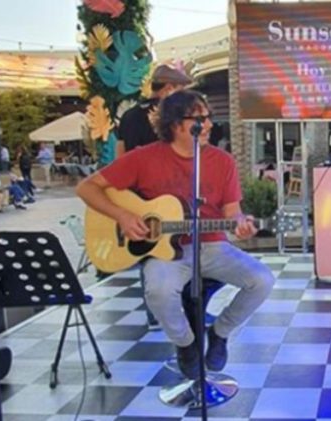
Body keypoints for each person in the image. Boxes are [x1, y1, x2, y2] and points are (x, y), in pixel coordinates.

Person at [76, 90, 275, 378]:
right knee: (157, 291)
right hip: (166, 253)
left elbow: (233, 212)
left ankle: (220, 332)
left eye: (208, 117)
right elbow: (86, 188)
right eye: (199, 119)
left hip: (213, 246)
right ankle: (185, 343)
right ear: (175, 124)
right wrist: (123, 216)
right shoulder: (143, 158)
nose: (208, 124)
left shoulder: (222, 161)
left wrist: (241, 225)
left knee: (262, 280)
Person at [115, 64, 192, 329]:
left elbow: (120, 156)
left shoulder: (128, 116)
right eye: (181, 90)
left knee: (148, 251)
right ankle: (182, 311)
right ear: (168, 88)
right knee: (179, 248)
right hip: (168, 194)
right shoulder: (170, 118)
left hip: (137, 196)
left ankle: (155, 314)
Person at [116, 64, 193, 157]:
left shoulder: (128, 115)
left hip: (133, 165)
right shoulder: (171, 114)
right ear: (168, 88)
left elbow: (120, 154)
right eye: (180, 92)